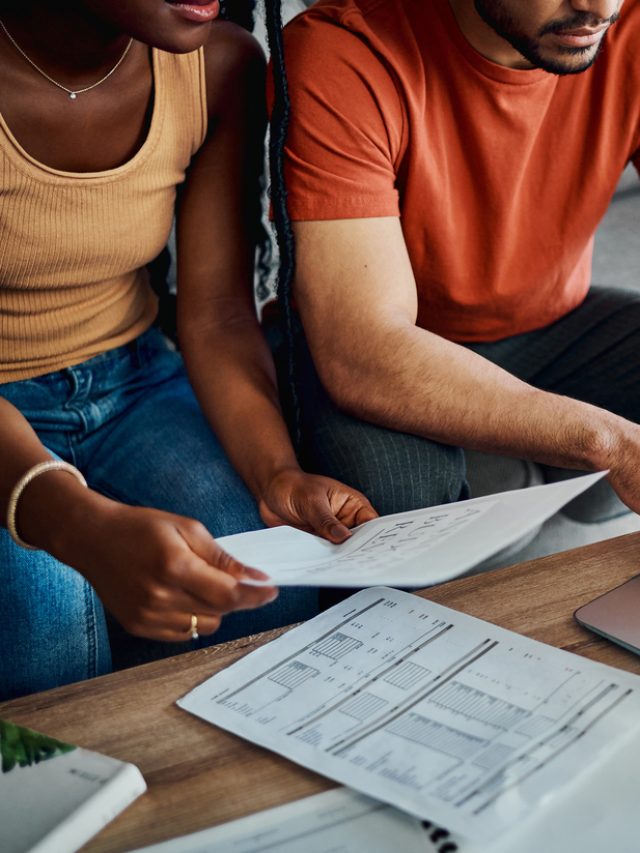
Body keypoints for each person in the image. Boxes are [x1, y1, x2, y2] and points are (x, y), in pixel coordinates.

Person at [0, 0, 377, 701]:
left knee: (262, 587)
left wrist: (278, 475)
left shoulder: (221, 66)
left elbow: (216, 312)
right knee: (44, 632)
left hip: (135, 379)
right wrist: (75, 520)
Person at [265, 0, 640, 520]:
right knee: (398, 504)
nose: (598, 8)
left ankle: (521, 461)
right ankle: (518, 462)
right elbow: (362, 351)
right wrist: (609, 442)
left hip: (558, 327)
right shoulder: (344, 50)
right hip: (395, 353)